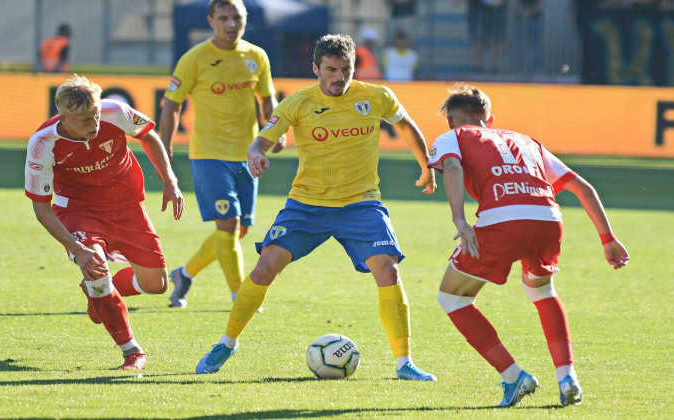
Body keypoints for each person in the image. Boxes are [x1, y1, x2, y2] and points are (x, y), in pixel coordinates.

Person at [194, 33, 439, 381]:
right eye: (331, 69)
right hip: (307, 205)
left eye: (346, 69)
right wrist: (255, 155)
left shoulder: (376, 96)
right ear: (316, 69)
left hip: (361, 204)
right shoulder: (298, 103)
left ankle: (405, 364)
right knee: (264, 269)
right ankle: (227, 344)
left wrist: (426, 165)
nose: (339, 76)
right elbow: (259, 142)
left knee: (388, 271)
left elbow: (407, 125)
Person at [428, 83, 630, 407]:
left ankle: (513, 377)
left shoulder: (453, 136)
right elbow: (583, 187)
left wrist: (460, 220)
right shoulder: (528, 141)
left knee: (453, 297)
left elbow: (451, 167)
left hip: (503, 222)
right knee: (542, 291)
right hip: (549, 220)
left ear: (451, 120)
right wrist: (609, 239)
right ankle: (568, 379)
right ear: (489, 119)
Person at [24, 74, 184, 370]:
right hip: (80, 212)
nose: (94, 124)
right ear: (64, 117)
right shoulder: (42, 144)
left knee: (156, 285)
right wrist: (77, 248)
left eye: (95, 115)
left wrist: (169, 180)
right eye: (84, 119)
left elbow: (148, 135)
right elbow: (41, 208)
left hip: (128, 207)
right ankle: (132, 352)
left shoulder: (114, 111)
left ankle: (98, 292)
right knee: (95, 266)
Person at [160, 0, 284, 309]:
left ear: (245, 20)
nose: (231, 24)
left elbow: (267, 101)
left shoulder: (257, 56)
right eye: (224, 18)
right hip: (209, 155)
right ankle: (239, 294)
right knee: (228, 223)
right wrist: (165, 146)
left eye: (237, 18)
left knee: (237, 229)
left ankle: (184, 273)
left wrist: (275, 134)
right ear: (211, 21)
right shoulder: (195, 58)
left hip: (247, 155)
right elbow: (172, 104)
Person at [468, 0, 508, 74]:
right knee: (480, 37)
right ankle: (479, 66)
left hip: (499, 8)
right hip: (481, 7)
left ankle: (495, 67)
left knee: (498, 38)